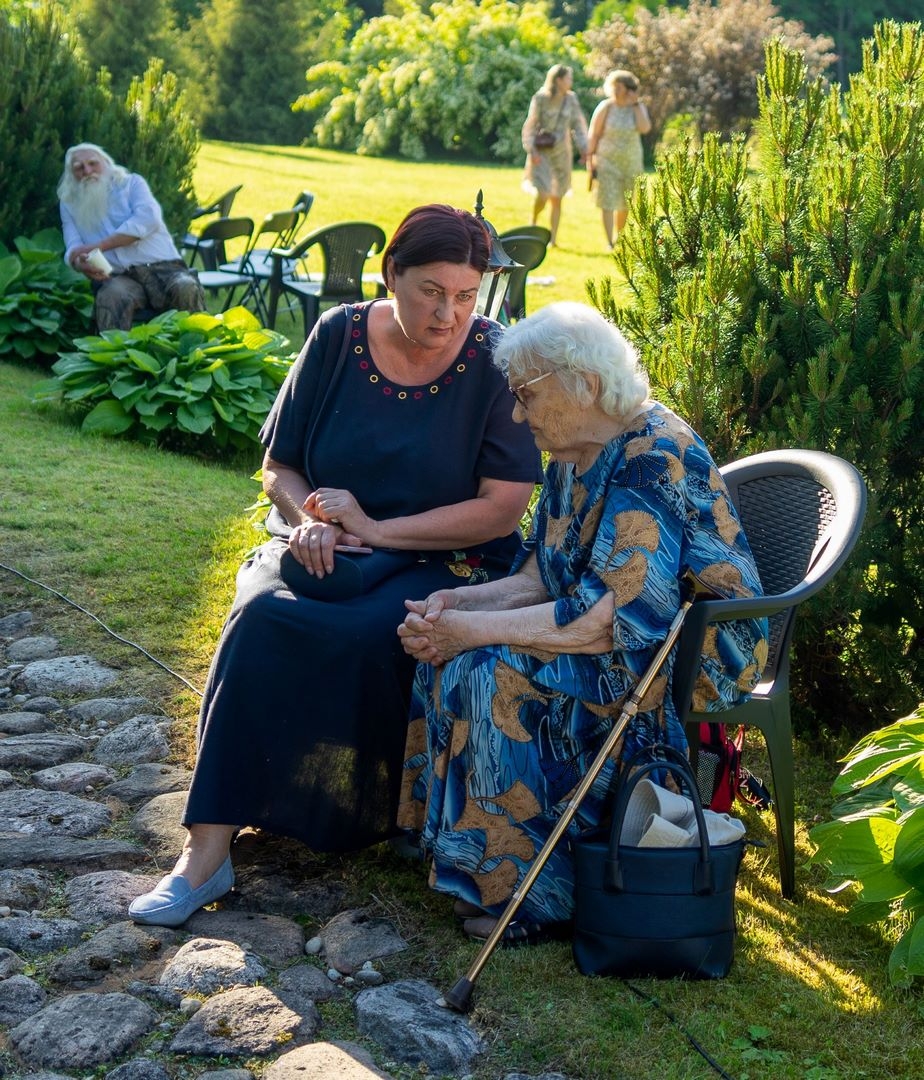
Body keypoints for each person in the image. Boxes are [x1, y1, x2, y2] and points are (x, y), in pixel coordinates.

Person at [127, 204, 542, 928]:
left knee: (370, 634)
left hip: (444, 558)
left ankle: (362, 816)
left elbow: (501, 508)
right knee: (259, 620)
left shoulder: (494, 359)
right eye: (431, 292)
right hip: (324, 551)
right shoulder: (338, 334)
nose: (449, 313)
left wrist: (379, 530)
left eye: (466, 296)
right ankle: (206, 854)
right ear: (391, 276)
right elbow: (279, 465)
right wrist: (305, 524)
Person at [398, 301, 768, 945]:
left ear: (585, 386)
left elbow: (611, 618)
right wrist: (450, 610)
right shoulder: (571, 456)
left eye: (526, 396)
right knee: (451, 655)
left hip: (690, 655)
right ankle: (470, 865)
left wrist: (477, 634)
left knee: (491, 671)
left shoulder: (653, 455)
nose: (516, 414)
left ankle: (537, 896)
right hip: (623, 634)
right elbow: (539, 578)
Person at [57, 142, 205, 331]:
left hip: (165, 269)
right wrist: (79, 263)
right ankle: (112, 358)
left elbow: (147, 220)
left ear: (106, 164)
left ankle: (196, 352)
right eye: (79, 168)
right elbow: (73, 245)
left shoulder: (132, 184)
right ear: (71, 175)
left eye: (93, 163)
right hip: (120, 276)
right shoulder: (69, 204)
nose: (87, 170)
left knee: (186, 287)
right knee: (111, 295)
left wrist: (101, 246)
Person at [521, 64, 588, 248]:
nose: (570, 82)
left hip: (562, 154)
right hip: (541, 153)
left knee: (557, 197)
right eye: (568, 78)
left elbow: (579, 126)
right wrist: (531, 149)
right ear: (558, 80)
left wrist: (584, 149)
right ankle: (533, 220)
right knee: (543, 194)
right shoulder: (541, 98)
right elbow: (530, 124)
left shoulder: (571, 99)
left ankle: (553, 239)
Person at [586, 70, 651, 248]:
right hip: (606, 160)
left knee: (625, 202)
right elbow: (593, 134)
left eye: (619, 87)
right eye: (614, 86)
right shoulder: (605, 107)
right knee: (607, 200)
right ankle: (609, 242)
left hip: (631, 162)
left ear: (628, 89)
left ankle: (619, 237)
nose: (615, 90)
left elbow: (645, 128)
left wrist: (636, 104)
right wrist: (589, 159)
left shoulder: (637, 108)